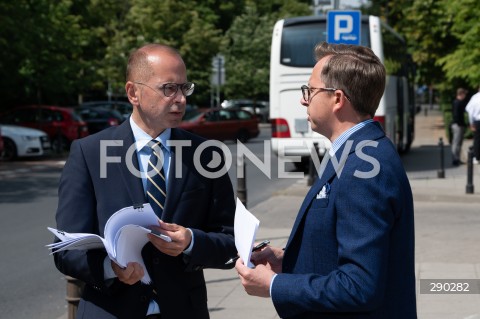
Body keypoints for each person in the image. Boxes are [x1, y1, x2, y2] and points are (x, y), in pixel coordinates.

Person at [53, 44, 236, 319]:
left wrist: (191, 242)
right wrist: (109, 268)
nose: (180, 99)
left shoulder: (207, 155)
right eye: (168, 88)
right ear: (133, 92)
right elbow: (65, 251)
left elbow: (230, 242)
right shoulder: (88, 153)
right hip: (110, 310)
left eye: (184, 88)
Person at [235, 42, 417, 318]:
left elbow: (359, 286)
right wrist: (289, 259)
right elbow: (341, 245)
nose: (303, 99)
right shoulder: (358, 152)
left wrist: (274, 285)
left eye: (310, 90)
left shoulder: (363, 167)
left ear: (337, 99)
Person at [451, 88, 468, 166]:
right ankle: (455, 159)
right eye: (464, 94)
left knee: (458, 143)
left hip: (458, 124)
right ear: (461, 94)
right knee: (456, 142)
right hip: (458, 125)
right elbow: (456, 115)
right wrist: (461, 124)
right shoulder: (457, 103)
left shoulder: (458, 102)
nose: (465, 96)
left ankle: (457, 158)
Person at [466, 85, 480, 164]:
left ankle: (476, 157)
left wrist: (471, 123)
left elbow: (470, 111)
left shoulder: (475, 98)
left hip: (477, 121)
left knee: (477, 140)